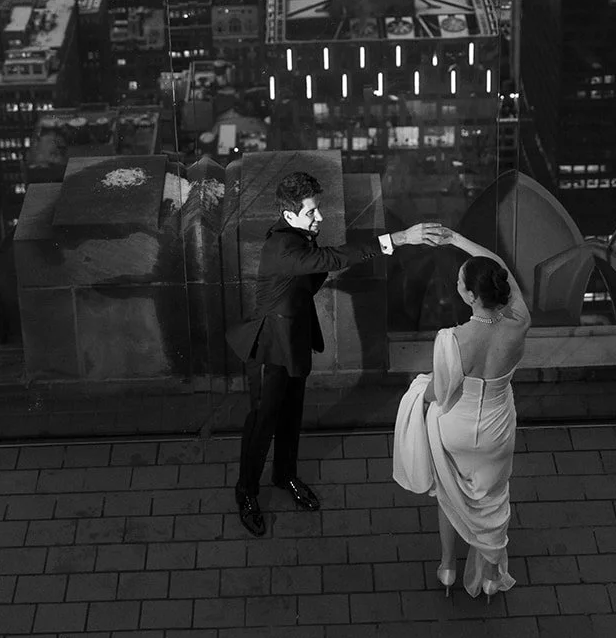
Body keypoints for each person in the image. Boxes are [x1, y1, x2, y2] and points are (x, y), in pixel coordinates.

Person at [227, 170, 445, 537]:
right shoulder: (282, 246)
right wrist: (401, 238)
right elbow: (334, 258)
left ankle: (284, 476)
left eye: (318, 209)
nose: (320, 217)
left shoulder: (298, 234)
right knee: (261, 424)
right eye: (312, 212)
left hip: (293, 339)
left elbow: (321, 263)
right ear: (289, 214)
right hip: (269, 347)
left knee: (292, 415)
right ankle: (246, 491)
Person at [394, 229, 530, 601]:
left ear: (470, 295)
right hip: (497, 428)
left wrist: (417, 391)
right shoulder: (519, 322)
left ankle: (448, 567)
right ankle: (488, 576)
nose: (456, 283)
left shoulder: (452, 339)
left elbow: (439, 392)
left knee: (449, 496)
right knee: (492, 496)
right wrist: (457, 239)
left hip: (455, 427)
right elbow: (500, 267)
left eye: (460, 281)